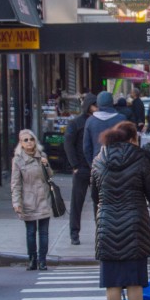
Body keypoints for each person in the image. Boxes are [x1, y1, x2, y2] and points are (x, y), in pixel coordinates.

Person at [91, 121, 150, 300]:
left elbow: (95, 196)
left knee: (112, 282)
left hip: (107, 225)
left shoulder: (98, 160)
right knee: (135, 281)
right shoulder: (139, 158)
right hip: (135, 227)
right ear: (132, 138)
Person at [11, 129, 53, 271]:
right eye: (25, 140)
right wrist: (16, 202)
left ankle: (42, 260)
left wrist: (46, 165)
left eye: (31, 139)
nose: (29, 142)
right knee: (30, 232)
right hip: (28, 200)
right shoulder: (18, 160)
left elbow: (50, 176)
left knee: (44, 232)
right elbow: (15, 183)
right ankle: (32, 259)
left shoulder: (42, 156)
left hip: (43, 198)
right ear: (21, 144)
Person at [63, 94, 96, 246]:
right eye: (94, 105)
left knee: (99, 202)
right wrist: (75, 165)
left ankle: (100, 233)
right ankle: (74, 233)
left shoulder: (95, 121)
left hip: (94, 167)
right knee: (77, 203)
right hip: (82, 167)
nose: (97, 108)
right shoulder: (77, 123)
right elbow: (68, 144)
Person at [83, 92, 124, 167]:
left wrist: (92, 165)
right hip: (119, 162)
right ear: (111, 102)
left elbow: (86, 148)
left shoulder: (90, 121)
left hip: (98, 163)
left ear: (98, 103)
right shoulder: (121, 119)